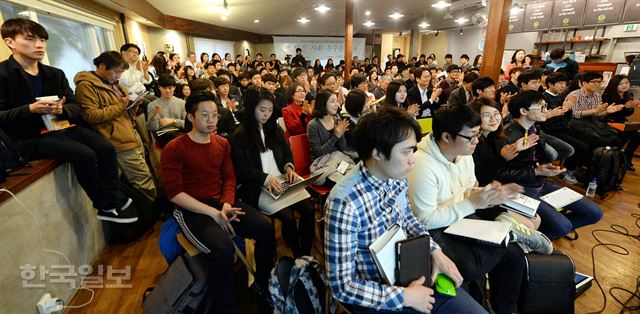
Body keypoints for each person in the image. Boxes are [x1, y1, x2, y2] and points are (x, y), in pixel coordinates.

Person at [325, 106, 487, 314]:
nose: (413, 158)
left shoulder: (395, 176)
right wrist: (403, 297)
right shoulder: (344, 202)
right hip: (378, 293)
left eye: (414, 150)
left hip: (409, 269)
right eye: (406, 151)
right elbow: (342, 285)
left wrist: (434, 250)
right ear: (378, 153)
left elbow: (408, 219)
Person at [408, 104, 547, 314]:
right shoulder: (422, 166)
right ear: (446, 137)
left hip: (461, 216)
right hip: (433, 228)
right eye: (471, 136)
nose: (476, 141)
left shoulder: (464, 153)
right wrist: (472, 203)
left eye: (477, 134)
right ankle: (508, 233)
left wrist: (490, 194)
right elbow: (424, 220)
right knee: (472, 267)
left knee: (514, 256)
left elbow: (468, 188)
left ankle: (504, 309)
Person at [0, 18, 135, 223]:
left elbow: (76, 105)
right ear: (10, 42)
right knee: (85, 154)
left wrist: (62, 109)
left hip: (61, 126)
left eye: (43, 40)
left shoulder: (54, 73)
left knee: (106, 148)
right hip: (30, 136)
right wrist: (30, 109)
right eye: (30, 39)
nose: (40, 45)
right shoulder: (3, 74)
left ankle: (114, 197)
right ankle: (105, 205)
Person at [162, 91, 275, 313]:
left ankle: (263, 286)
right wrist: (212, 213)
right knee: (222, 249)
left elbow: (230, 176)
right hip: (191, 208)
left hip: (221, 202)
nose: (211, 120)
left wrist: (225, 203)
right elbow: (175, 194)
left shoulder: (222, 143)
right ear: (190, 117)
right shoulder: (175, 148)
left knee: (264, 229)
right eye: (204, 115)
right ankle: (224, 308)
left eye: (214, 114)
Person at [499, 91, 603, 239]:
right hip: (521, 189)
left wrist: (545, 169)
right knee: (563, 226)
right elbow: (501, 174)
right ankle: (536, 241)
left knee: (595, 213)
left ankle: (544, 233)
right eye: (541, 107)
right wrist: (536, 172)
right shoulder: (509, 135)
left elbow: (535, 160)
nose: (546, 111)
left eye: (545, 106)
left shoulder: (535, 129)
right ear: (523, 111)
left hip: (539, 183)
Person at [230, 87, 315, 257]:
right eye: (262, 110)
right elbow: (242, 168)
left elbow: (286, 152)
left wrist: (289, 167)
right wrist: (265, 178)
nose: (266, 114)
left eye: (269, 110)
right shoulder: (240, 135)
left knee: (309, 208)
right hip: (259, 185)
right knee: (288, 217)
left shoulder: (274, 129)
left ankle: (306, 253)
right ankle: (297, 254)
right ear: (251, 108)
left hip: (283, 178)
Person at [74, 51, 157, 202]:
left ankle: (151, 210)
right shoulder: (86, 86)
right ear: (102, 66)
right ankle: (152, 213)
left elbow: (123, 109)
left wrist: (133, 104)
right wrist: (121, 105)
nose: (118, 76)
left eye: (121, 72)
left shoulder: (115, 84)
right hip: (117, 140)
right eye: (116, 72)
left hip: (131, 132)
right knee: (142, 179)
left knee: (144, 174)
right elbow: (91, 115)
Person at [539, 72, 591, 184]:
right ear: (550, 84)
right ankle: (567, 171)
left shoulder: (561, 97)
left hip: (564, 127)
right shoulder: (543, 98)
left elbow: (567, 118)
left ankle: (580, 168)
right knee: (581, 146)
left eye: (564, 83)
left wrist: (568, 108)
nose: (563, 86)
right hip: (551, 130)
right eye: (560, 83)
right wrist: (564, 108)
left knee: (590, 141)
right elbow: (546, 122)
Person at [601, 74, 640, 171]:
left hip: (621, 122)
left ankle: (626, 159)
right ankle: (614, 158)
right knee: (625, 134)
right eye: (620, 84)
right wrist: (624, 106)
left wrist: (630, 107)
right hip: (608, 121)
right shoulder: (607, 96)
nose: (624, 85)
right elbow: (608, 113)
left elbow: (628, 113)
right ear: (614, 85)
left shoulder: (628, 95)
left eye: (626, 83)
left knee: (637, 136)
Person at [307, 89, 353, 160]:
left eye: (337, 101)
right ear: (323, 103)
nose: (337, 104)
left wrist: (340, 134)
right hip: (322, 164)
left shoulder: (337, 120)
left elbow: (343, 148)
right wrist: (336, 136)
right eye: (332, 101)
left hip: (338, 159)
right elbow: (318, 154)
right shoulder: (313, 125)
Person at [146, 74, 186, 147]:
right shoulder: (152, 105)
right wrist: (154, 116)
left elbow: (187, 124)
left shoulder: (182, 103)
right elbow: (152, 128)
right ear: (159, 87)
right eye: (164, 88)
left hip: (179, 135)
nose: (167, 91)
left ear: (174, 87)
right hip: (163, 138)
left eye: (170, 88)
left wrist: (173, 121)